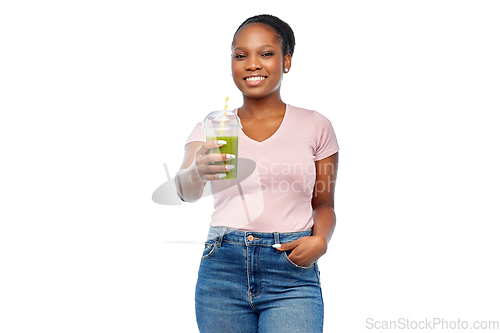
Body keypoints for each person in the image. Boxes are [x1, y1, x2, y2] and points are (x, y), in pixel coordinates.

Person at [175, 14, 339, 333]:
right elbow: (185, 191)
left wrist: (322, 239)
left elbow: (324, 203)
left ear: (286, 61)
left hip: (291, 272)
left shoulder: (316, 126)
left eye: (266, 53)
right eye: (241, 55)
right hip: (222, 269)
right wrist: (198, 170)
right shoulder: (212, 128)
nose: (252, 64)